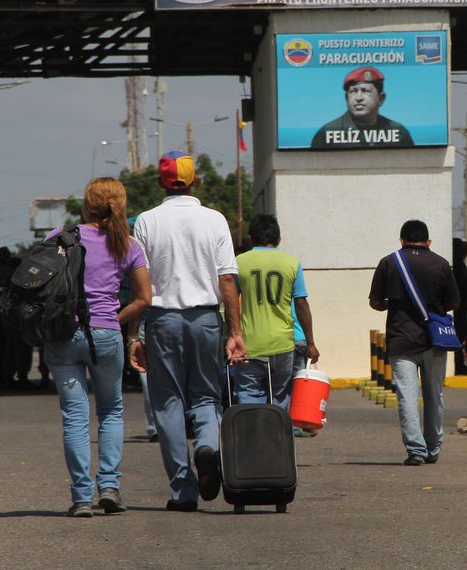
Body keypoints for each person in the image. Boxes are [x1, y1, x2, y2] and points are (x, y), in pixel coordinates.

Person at [129, 151, 246, 512]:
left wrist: (136, 335)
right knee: (207, 396)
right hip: (206, 319)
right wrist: (234, 330)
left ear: (162, 183)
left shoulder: (146, 222)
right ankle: (207, 446)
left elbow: (139, 284)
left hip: (163, 319)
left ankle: (183, 490)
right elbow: (227, 278)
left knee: (167, 402)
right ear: (196, 180)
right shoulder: (214, 220)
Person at [44, 177, 151, 517]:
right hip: (105, 334)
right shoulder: (128, 245)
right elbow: (144, 298)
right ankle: (109, 486)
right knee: (110, 410)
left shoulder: (59, 239)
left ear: (87, 204)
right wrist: (114, 320)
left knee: (74, 417)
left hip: (63, 334)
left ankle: (80, 497)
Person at [369, 220, 460, 465]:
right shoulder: (441, 264)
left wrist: (395, 305)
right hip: (434, 341)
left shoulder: (389, 262)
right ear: (428, 242)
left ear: (401, 240)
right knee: (434, 396)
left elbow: (375, 302)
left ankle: (416, 450)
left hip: (401, 340)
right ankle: (433, 448)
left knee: (407, 398)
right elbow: (454, 302)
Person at [233, 215, 319, 410]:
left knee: (249, 393)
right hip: (282, 344)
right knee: (280, 395)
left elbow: (230, 301)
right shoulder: (292, 263)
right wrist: (310, 342)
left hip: (250, 344)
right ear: (279, 238)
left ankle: (253, 434)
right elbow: (301, 303)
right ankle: (277, 437)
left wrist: (230, 334)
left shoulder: (239, 262)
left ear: (250, 238)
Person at [311, 67, 414, 149]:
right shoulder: (327, 134)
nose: (358, 98)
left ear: (381, 98)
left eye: (365, 91)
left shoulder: (398, 132)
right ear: (346, 98)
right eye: (353, 92)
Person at [452, 238, 467, 374]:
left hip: (459, 307)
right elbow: (464, 289)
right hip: (459, 308)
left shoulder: (456, 265)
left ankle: (459, 363)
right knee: (458, 336)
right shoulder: (459, 267)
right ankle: (459, 364)